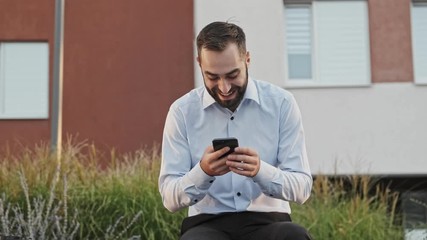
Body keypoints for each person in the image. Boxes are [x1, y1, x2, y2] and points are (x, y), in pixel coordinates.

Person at [159, 21, 313, 240]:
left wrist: (261, 170)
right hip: (207, 225)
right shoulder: (182, 112)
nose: (224, 88)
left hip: (269, 223)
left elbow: (302, 189)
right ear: (199, 64)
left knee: (294, 236)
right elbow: (169, 198)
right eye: (212, 77)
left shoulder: (282, 104)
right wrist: (203, 172)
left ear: (247, 59)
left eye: (232, 75)